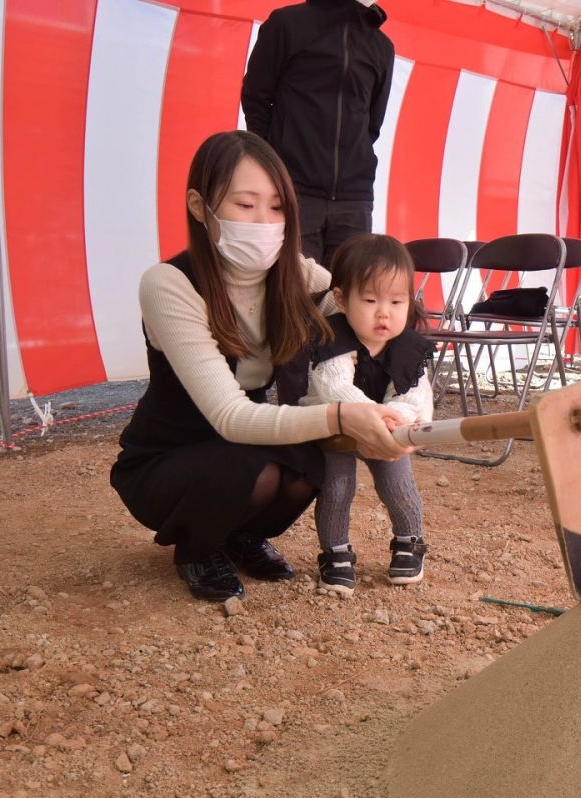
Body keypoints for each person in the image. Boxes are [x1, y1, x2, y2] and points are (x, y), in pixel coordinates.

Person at [110, 131, 412, 602]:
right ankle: (196, 548)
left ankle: (239, 535)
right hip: (168, 457)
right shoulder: (168, 284)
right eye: (245, 205)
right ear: (199, 205)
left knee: (315, 460)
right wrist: (341, 415)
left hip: (240, 445)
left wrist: (402, 363)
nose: (265, 222)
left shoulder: (292, 271)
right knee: (253, 464)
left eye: (276, 207)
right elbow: (230, 418)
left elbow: (364, 303)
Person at [282, 234, 434, 596]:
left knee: (396, 484)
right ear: (341, 299)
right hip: (338, 429)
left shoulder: (408, 348)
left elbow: (416, 397)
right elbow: (335, 388)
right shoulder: (332, 339)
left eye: (397, 301)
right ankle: (335, 552)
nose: (384, 312)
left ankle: (409, 541)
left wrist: (390, 420)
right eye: (369, 300)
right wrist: (372, 416)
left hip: (389, 432)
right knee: (337, 488)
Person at [241, 0, 394, 265]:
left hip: (354, 198)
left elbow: (372, 123)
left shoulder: (382, 46)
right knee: (295, 293)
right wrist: (271, 164)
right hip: (294, 188)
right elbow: (256, 96)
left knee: (347, 295)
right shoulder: (287, 24)